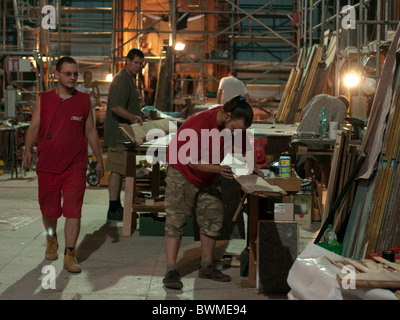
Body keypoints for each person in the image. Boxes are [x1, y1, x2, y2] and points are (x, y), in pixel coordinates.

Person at [162, 94, 263, 290]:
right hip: (182, 171)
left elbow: (244, 145)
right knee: (177, 220)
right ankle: (171, 271)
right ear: (227, 116)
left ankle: (207, 266)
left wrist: (253, 164)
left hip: (208, 172)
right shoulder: (200, 124)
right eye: (235, 129)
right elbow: (191, 161)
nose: (236, 134)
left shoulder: (233, 124)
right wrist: (218, 169)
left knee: (213, 217)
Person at [22, 56, 104, 273]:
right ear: (56, 75)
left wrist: (98, 158)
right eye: (68, 74)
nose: (73, 78)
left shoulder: (84, 100)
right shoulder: (44, 99)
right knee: (49, 210)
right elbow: (33, 127)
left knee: (73, 210)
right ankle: (52, 239)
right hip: (48, 164)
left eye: (75, 74)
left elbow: (91, 131)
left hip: (75, 166)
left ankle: (70, 254)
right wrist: (27, 149)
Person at [104, 48, 148, 221]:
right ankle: (113, 208)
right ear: (127, 61)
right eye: (136, 62)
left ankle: (117, 206)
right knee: (116, 170)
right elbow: (115, 106)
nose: (138, 66)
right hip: (118, 134)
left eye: (140, 64)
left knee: (121, 170)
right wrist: (133, 117)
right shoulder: (121, 80)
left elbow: (127, 105)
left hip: (126, 134)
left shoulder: (129, 79)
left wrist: (139, 113)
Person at [297, 94, 349, 187]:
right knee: (325, 164)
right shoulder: (342, 105)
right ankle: (329, 187)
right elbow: (336, 125)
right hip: (317, 136)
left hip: (301, 133)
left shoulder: (319, 96)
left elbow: (302, 114)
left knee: (306, 159)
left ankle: (303, 187)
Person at [76, 70, 98, 155]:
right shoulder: (79, 88)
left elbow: (94, 101)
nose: (89, 80)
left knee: (92, 130)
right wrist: (89, 95)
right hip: (82, 112)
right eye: (88, 78)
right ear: (84, 78)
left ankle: (90, 151)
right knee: (81, 131)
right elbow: (78, 99)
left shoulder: (92, 87)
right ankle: (80, 150)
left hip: (91, 111)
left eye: (91, 78)